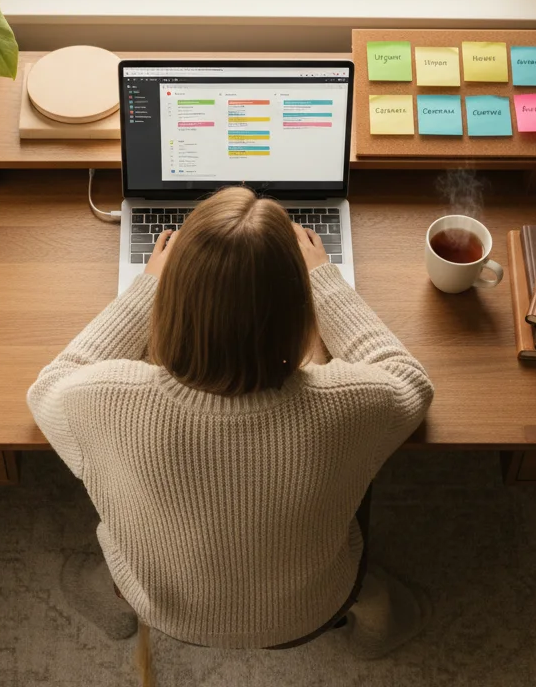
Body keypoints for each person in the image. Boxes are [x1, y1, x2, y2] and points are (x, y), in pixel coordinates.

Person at [27, 186, 434, 658]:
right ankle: (375, 629)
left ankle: (114, 601)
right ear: (300, 316)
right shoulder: (352, 405)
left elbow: (49, 384)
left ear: (173, 307)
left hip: (165, 609)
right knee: (364, 551)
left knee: (121, 555)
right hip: (309, 612)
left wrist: (148, 287)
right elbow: (410, 381)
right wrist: (325, 279)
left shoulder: (99, 400)